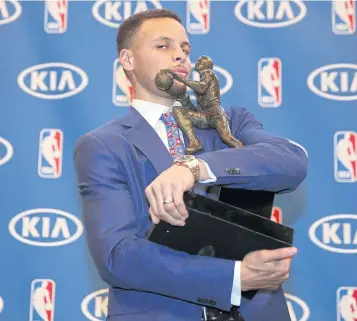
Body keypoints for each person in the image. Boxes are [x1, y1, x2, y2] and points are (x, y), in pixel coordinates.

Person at [73, 9, 308, 321]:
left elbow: (291, 160)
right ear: (127, 60)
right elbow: (118, 256)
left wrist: (194, 167)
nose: (180, 56)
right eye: (163, 46)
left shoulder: (229, 121)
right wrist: (234, 277)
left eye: (185, 49)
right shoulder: (103, 146)